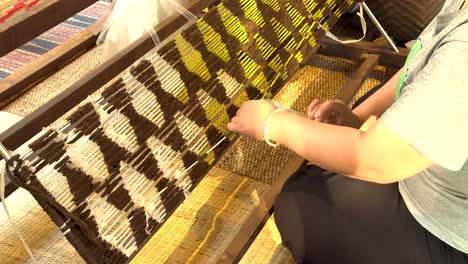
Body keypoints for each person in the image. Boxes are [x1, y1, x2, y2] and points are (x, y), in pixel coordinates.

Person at [227, 0, 468, 263]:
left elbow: (378, 160)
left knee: (295, 206)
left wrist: (273, 123)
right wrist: (357, 117)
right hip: (433, 185)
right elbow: (416, 68)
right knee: (313, 179)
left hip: (449, 232)